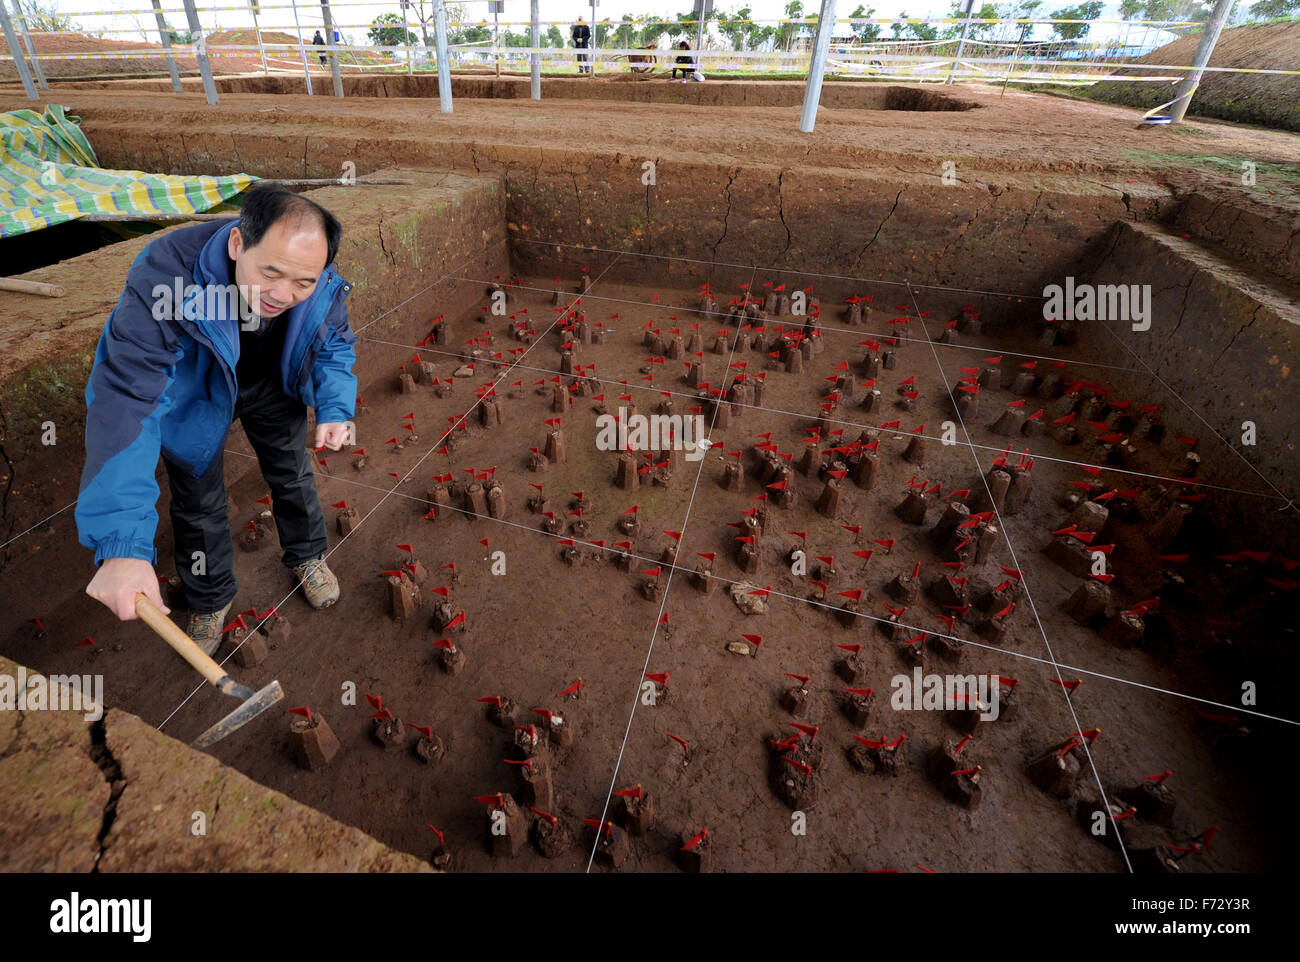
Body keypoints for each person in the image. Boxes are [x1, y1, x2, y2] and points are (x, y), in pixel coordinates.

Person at [78, 183, 358, 655]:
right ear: (237, 244)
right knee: (198, 501)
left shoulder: (316, 276)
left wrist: (334, 407)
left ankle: (308, 555)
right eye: (270, 273)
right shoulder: (167, 277)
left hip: (272, 386)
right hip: (198, 395)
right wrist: (122, 543)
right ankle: (210, 596)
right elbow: (127, 398)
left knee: (291, 473)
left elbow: (333, 342)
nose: (283, 294)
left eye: (303, 282)